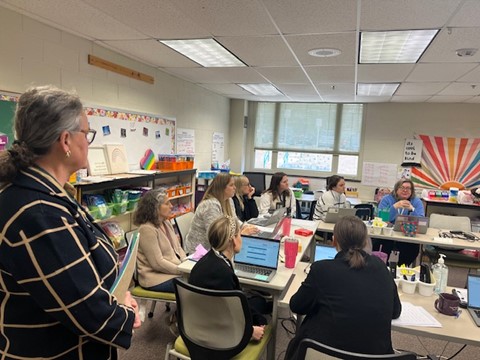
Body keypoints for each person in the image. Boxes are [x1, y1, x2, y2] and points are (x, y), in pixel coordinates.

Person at [0, 86, 140, 359]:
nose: (88, 142)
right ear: (65, 141)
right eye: (86, 134)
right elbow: (88, 312)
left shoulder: (47, 192)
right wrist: (125, 312)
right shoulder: (39, 214)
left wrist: (117, 295)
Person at [285, 216, 401, 359]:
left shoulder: (322, 270)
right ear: (365, 241)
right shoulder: (381, 267)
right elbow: (396, 312)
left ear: (334, 241)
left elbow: (296, 306)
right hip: (376, 356)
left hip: (325, 354)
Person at [189, 215, 269, 341]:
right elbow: (229, 314)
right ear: (233, 240)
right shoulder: (223, 273)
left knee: (257, 303)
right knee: (260, 307)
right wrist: (250, 331)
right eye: (240, 235)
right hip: (219, 338)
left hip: (196, 328)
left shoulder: (207, 260)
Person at [133, 189, 186, 293]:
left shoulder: (166, 223)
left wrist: (186, 264)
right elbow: (157, 263)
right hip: (155, 278)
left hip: (173, 271)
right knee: (195, 283)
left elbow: (178, 248)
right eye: (167, 203)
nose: (171, 206)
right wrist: (182, 270)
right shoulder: (147, 229)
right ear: (155, 208)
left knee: (199, 278)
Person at [373, 179, 425, 266]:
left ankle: (402, 267)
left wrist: (412, 209)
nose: (405, 190)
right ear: (396, 189)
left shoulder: (416, 201)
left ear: (412, 191)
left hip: (406, 234)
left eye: (408, 188)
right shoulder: (387, 199)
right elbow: (381, 219)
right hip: (388, 235)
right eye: (402, 187)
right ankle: (382, 266)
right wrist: (394, 207)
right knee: (380, 244)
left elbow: (421, 222)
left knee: (413, 248)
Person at [184, 172, 237, 254]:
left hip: (216, 248)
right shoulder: (210, 205)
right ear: (221, 188)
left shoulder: (229, 200)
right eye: (231, 185)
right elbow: (216, 236)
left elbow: (235, 222)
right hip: (199, 252)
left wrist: (245, 227)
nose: (235, 187)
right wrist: (238, 233)